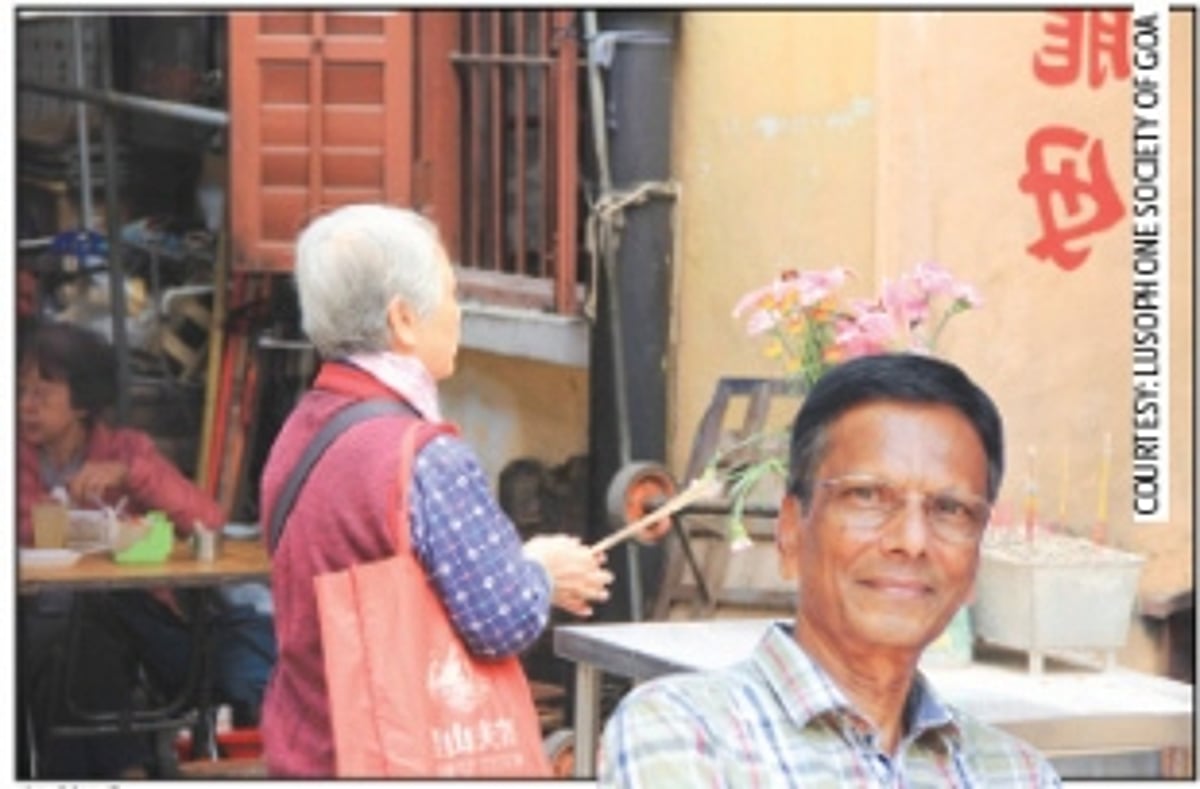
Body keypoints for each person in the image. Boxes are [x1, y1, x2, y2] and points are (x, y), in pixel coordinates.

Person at [259, 203, 614, 777]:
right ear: (403, 319)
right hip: (396, 758)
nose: (458, 314)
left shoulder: (299, 431)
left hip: (307, 746)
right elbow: (500, 620)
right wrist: (543, 573)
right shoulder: (424, 456)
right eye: (451, 295)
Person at [599, 353, 1062, 787]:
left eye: (950, 509)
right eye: (867, 496)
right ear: (790, 532)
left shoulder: (1017, 773)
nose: (911, 541)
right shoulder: (686, 732)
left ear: (976, 558)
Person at [17, 321, 276, 777]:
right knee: (69, 640)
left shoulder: (126, 450)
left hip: (135, 621)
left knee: (82, 631)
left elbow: (208, 520)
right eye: (21, 391)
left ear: (82, 401)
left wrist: (132, 477)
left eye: (42, 392)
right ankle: (130, 771)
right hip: (39, 621)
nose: (25, 405)